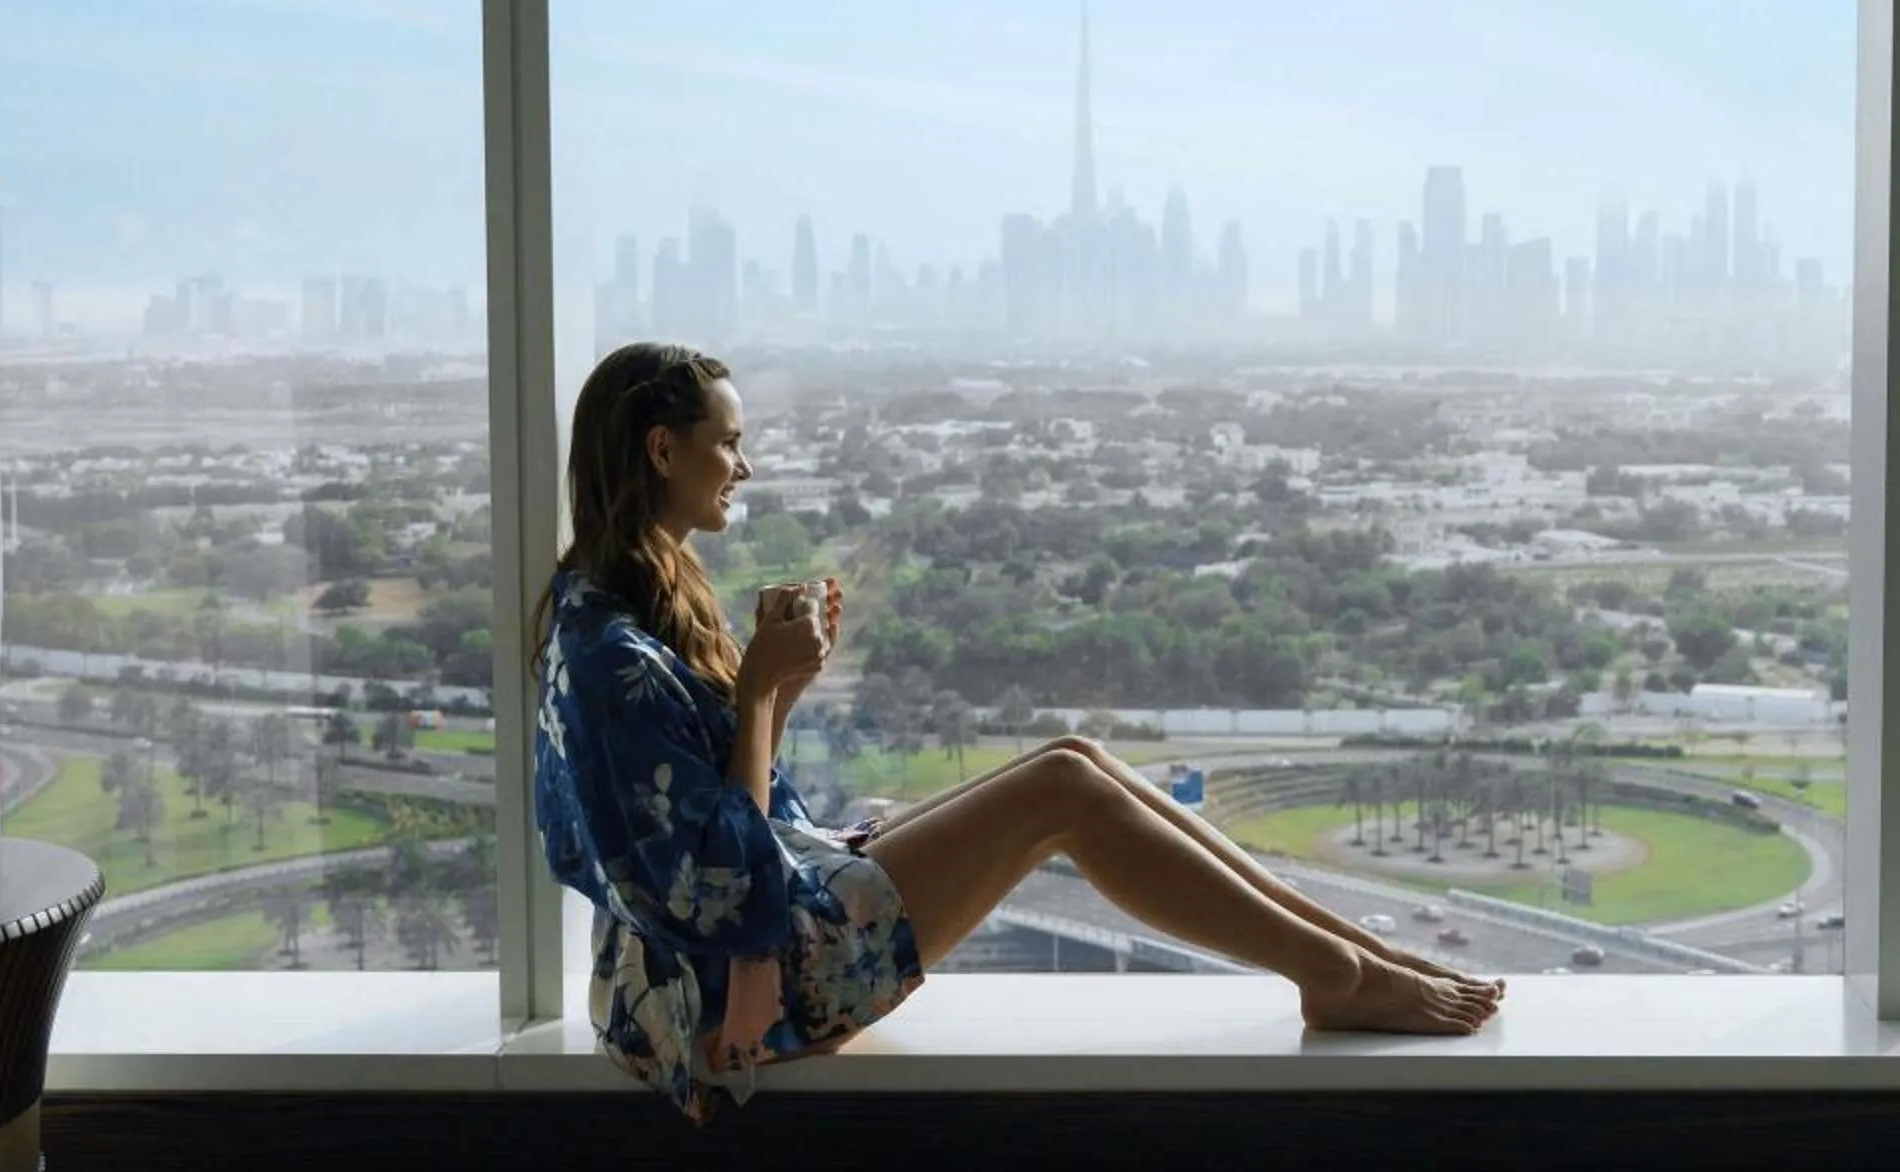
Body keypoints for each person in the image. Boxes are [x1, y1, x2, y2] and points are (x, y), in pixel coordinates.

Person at [531, 341, 1505, 1122]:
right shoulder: (609, 653)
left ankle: (1356, 959)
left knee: (1071, 760)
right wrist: (754, 697)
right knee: (1064, 796)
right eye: (729, 440)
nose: (743, 465)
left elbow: (708, 807)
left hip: (731, 944)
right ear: (663, 450)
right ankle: (1337, 974)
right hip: (722, 992)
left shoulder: (623, 601)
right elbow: (717, 878)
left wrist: (777, 692)